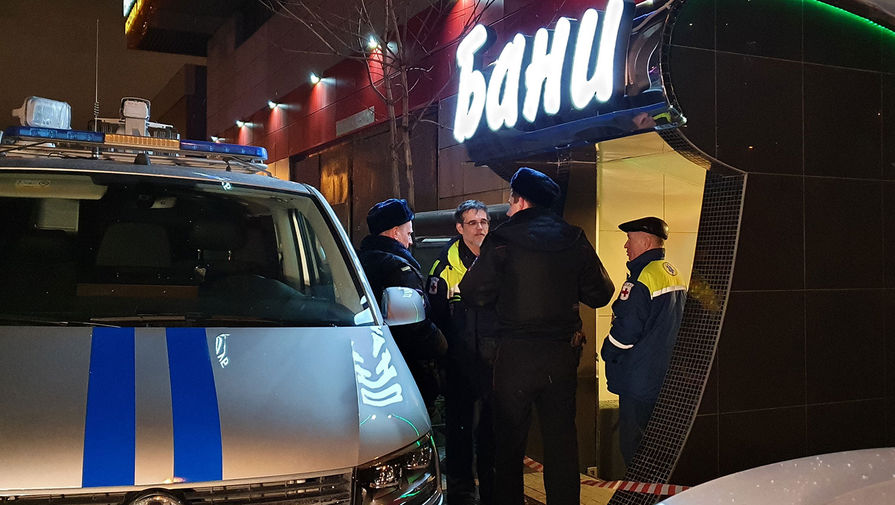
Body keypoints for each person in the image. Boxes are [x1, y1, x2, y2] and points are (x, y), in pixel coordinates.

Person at [460, 168, 615, 505]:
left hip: (514, 357)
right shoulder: (573, 237)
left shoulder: (502, 239)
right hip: (561, 357)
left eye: (510, 200)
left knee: (509, 448)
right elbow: (601, 293)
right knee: (562, 444)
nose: (508, 208)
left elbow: (472, 292)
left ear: (520, 200)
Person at [600, 217, 686, 466]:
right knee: (659, 449)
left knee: (634, 449)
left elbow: (625, 332)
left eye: (630, 239)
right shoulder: (673, 273)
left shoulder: (640, 279)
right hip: (665, 378)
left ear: (646, 242)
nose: (626, 246)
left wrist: (607, 351)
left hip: (638, 380)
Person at [428, 200, 497, 505]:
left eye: (484, 221)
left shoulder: (499, 257)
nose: (480, 228)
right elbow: (436, 318)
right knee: (459, 433)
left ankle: (493, 492)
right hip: (459, 364)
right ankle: (461, 493)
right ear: (459, 228)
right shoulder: (444, 267)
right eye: (473, 223)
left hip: (494, 363)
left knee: (492, 434)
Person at [357, 198, 447, 408]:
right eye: (408, 233)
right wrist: (439, 343)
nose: (411, 241)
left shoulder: (360, 261)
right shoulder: (398, 269)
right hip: (406, 366)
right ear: (396, 232)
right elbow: (413, 324)